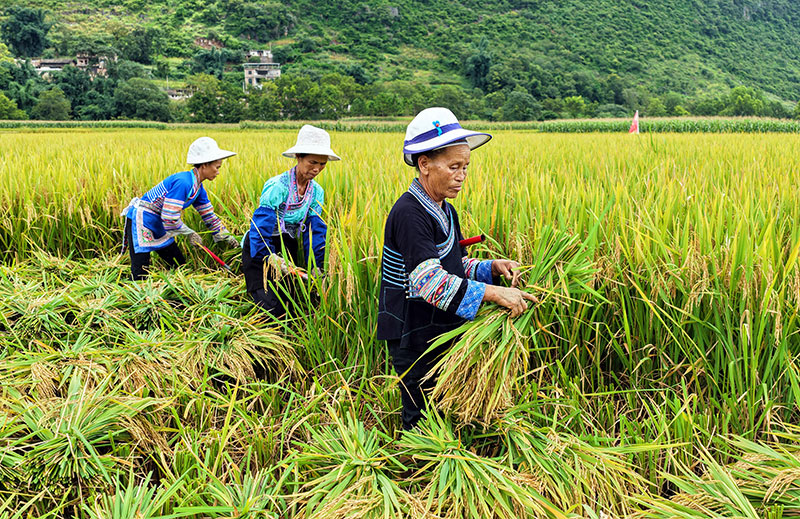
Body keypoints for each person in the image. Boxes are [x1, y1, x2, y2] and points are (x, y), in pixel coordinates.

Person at [377, 107, 537, 430]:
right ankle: (416, 468)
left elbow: (454, 264)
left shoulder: (444, 210)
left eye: (465, 166)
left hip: (438, 323)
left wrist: (491, 268)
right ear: (424, 164)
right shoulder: (410, 214)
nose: (462, 175)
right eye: (453, 166)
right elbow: (430, 282)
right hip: (413, 330)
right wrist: (494, 294)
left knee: (442, 408)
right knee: (421, 415)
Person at [241, 125, 339, 317]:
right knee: (272, 311)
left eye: (323, 164)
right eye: (312, 162)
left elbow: (315, 230)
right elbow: (260, 227)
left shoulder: (316, 192)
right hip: (260, 248)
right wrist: (269, 257)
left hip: (287, 248)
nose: (317, 168)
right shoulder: (278, 186)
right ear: (298, 157)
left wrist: (317, 266)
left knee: (291, 305)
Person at [122, 137, 240, 281]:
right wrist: (190, 233)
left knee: (178, 265)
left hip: (159, 222)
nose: (218, 172)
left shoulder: (198, 189)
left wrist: (227, 236)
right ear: (204, 165)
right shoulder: (184, 182)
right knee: (140, 273)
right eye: (217, 167)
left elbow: (209, 216)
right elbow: (169, 216)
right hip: (142, 220)